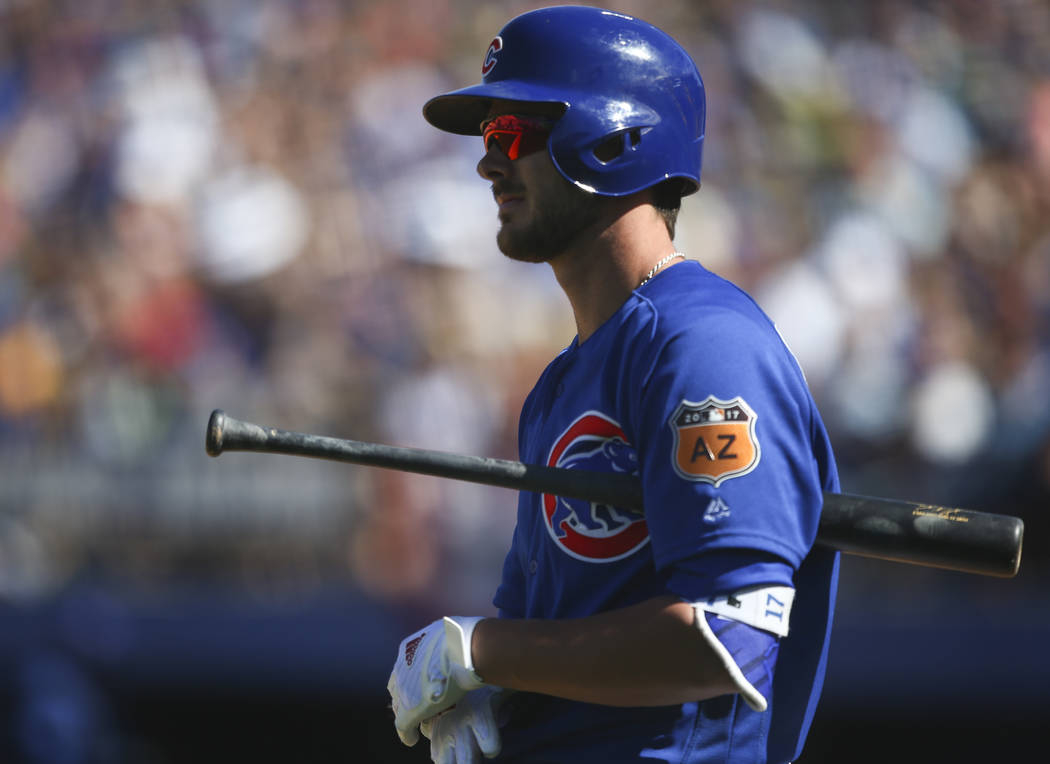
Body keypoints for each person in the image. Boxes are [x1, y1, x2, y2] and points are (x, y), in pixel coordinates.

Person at [387, 7, 840, 763]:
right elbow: (541, 625)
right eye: (487, 136)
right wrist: (492, 686)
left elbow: (727, 637)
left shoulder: (704, 346)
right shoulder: (563, 379)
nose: (488, 163)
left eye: (512, 133)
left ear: (615, 139)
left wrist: (484, 651)